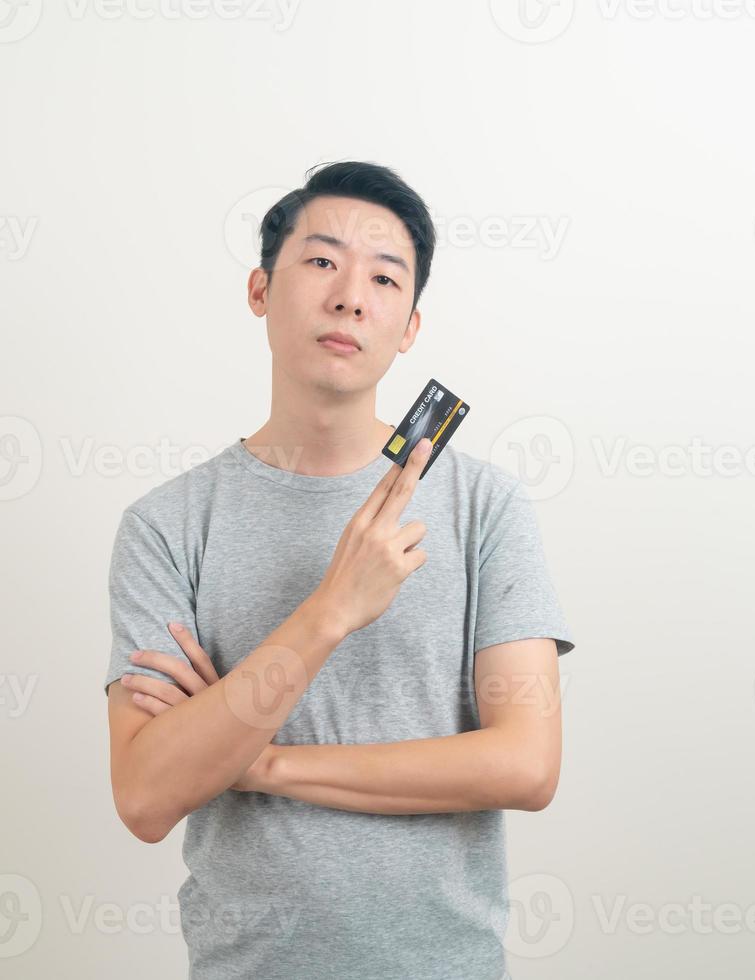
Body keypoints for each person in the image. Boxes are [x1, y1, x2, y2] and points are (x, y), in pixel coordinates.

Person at [104, 160, 575, 980]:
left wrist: (254, 760)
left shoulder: (484, 505)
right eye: (321, 261)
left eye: (385, 278)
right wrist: (330, 611)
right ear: (259, 290)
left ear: (410, 326)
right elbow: (146, 796)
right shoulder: (166, 527)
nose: (351, 295)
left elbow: (525, 765)